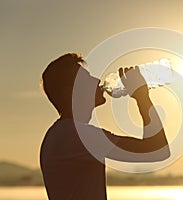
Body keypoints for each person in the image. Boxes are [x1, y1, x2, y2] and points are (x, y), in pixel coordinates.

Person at [40, 53, 170, 200]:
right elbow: (158, 150)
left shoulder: (64, 133)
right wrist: (142, 97)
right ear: (70, 92)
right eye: (86, 79)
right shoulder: (74, 136)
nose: (97, 81)